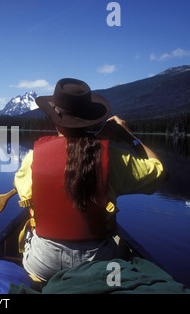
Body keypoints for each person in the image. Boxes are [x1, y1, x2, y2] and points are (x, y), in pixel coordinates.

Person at [14, 78, 168, 282]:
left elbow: (25, 191)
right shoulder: (112, 158)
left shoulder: (33, 158)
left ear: (54, 116)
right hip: (97, 264)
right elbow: (159, 172)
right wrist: (130, 136)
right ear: (89, 119)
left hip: (44, 264)